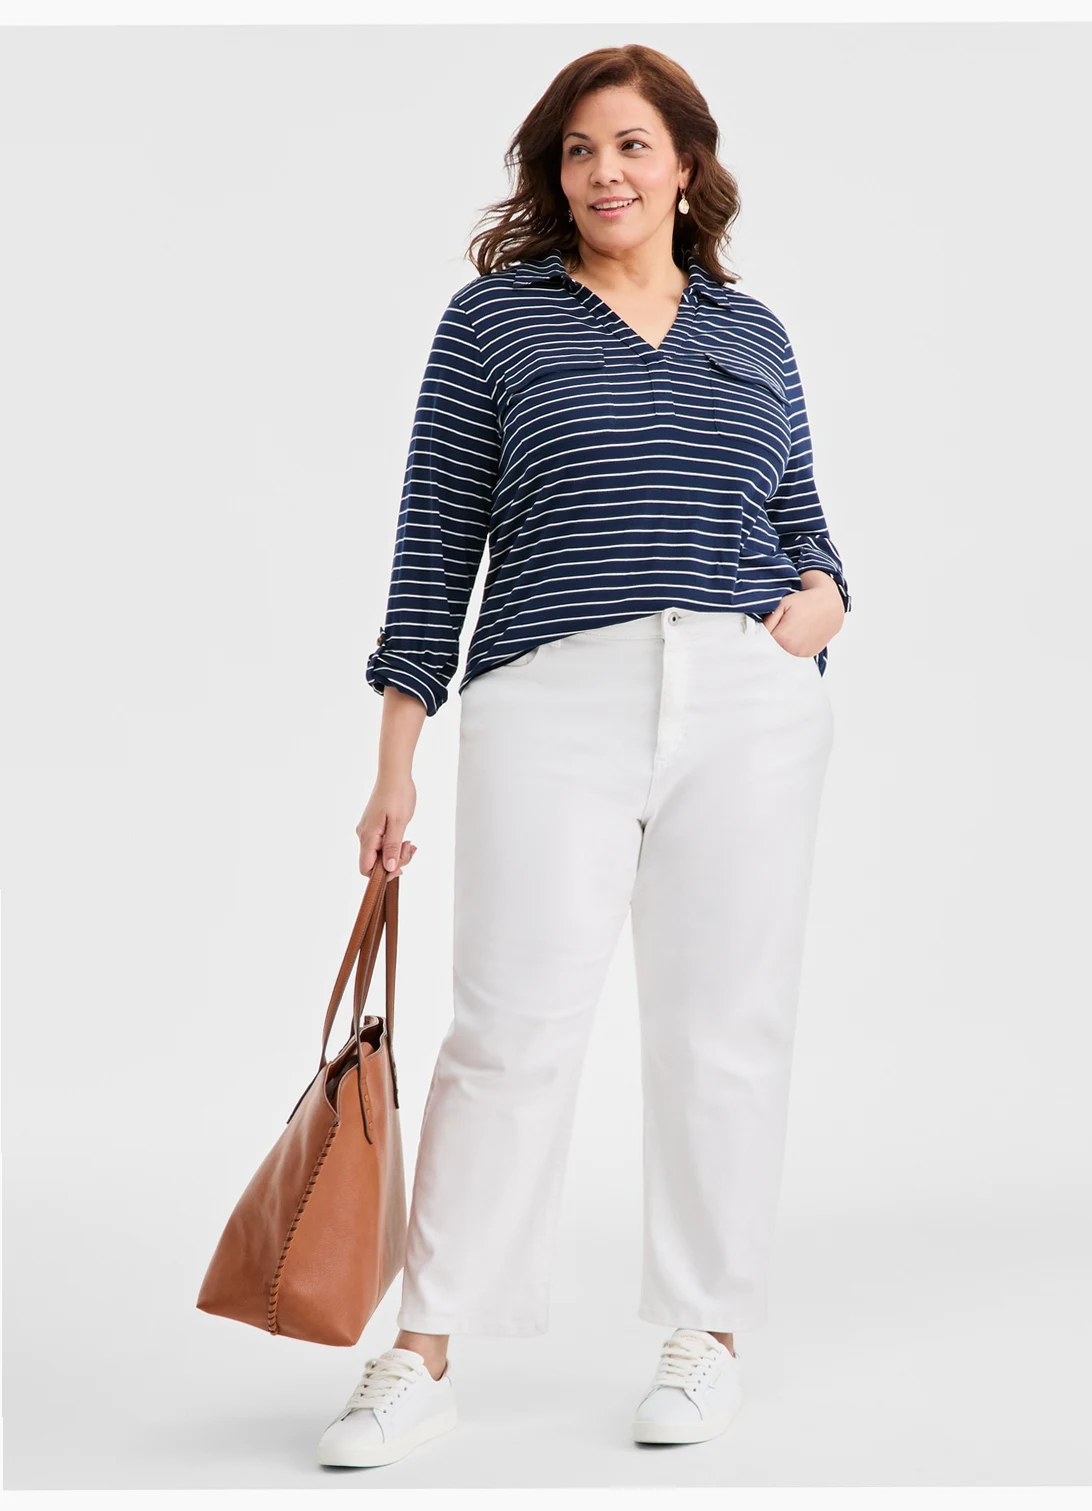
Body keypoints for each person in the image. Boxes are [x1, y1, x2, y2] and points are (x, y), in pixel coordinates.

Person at [317, 44, 852, 1471]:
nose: (603, 172)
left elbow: (805, 517)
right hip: (553, 695)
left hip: (746, 700)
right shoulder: (496, 322)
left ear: (685, 167)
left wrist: (825, 601)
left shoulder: (754, 333)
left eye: (629, 146)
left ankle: (707, 1330)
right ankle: (423, 1351)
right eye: (576, 151)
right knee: (509, 1027)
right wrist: (395, 757)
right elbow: (435, 539)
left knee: (724, 1024)